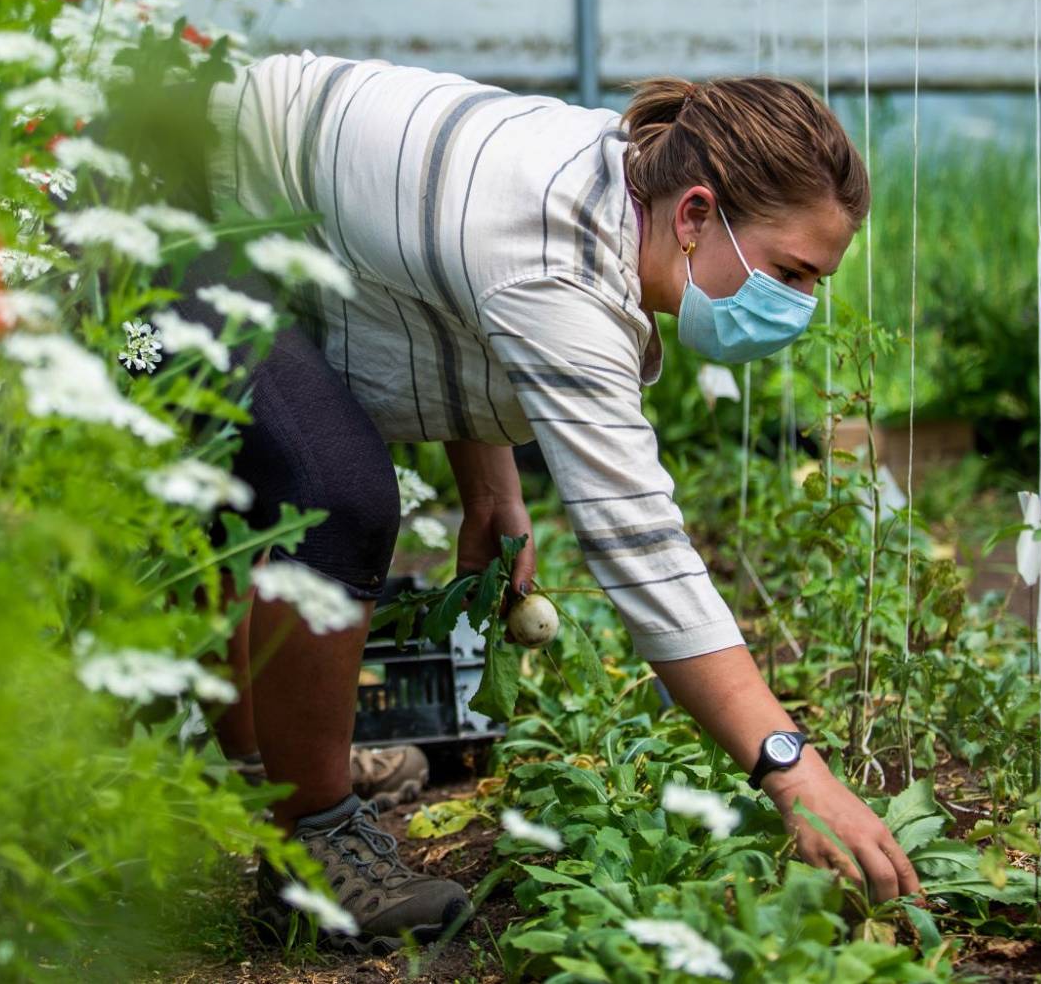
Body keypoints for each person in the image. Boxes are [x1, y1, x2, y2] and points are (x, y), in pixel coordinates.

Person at [178, 51, 922, 949]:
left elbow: (444, 305)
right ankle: (310, 850)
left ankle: (268, 770)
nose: (799, 304)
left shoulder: (610, 180)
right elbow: (640, 545)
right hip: (159, 202)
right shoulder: (554, 262)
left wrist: (491, 488)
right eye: (792, 272)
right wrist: (794, 772)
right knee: (338, 490)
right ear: (695, 215)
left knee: (278, 466)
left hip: (243, 211)